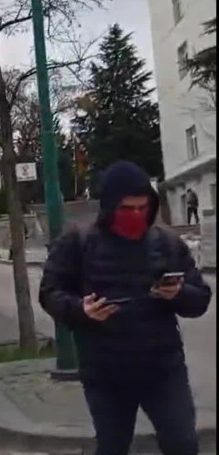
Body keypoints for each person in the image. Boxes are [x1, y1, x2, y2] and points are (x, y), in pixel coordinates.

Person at [39, 160, 212, 455]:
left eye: (142, 208)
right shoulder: (78, 242)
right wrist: (80, 310)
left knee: (183, 444)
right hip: (106, 372)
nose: (135, 216)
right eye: (126, 209)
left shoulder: (168, 243)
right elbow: (50, 292)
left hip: (163, 368)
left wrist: (179, 294)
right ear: (109, 207)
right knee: (113, 446)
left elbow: (201, 299)